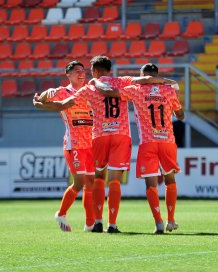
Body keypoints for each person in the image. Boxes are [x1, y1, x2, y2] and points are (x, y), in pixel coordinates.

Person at [44, 56, 177, 233]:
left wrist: (39, 103)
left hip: (99, 135)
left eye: (91, 70)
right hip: (121, 135)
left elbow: (63, 105)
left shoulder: (90, 87)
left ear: (96, 71)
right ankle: (112, 224)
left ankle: (97, 222)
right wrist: (168, 82)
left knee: (98, 177)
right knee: (114, 181)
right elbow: (146, 80)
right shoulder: (123, 82)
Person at [93, 63, 184, 234]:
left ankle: (158, 223)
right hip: (167, 140)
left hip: (148, 142)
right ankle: (171, 220)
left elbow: (109, 92)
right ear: (156, 75)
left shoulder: (136, 90)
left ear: (143, 76)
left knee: (151, 184)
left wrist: (96, 81)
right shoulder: (169, 91)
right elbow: (181, 115)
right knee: (170, 180)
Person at [33, 61, 95, 232]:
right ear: (68, 74)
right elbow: (40, 99)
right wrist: (45, 95)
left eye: (83, 71)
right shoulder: (62, 92)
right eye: (77, 71)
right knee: (79, 182)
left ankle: (90, 224)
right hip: (73, 143)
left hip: (91, 144)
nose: (81, 74)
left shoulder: (90, 91)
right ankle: (61, 214)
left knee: (91, 183)